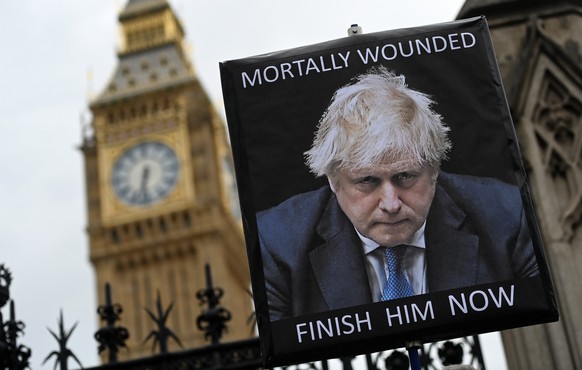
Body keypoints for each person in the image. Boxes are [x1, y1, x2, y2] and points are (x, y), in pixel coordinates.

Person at [257, 66, 539, 321]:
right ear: (333, 180)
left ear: (434, 170)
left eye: (405, 177)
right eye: (367, 181)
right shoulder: (276, 244)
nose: (391, 204)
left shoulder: (507, 216)